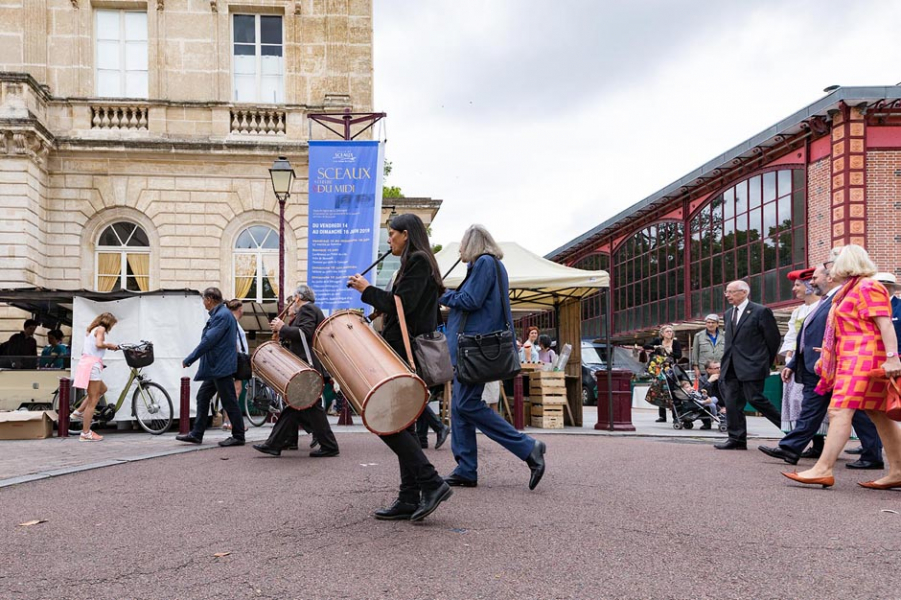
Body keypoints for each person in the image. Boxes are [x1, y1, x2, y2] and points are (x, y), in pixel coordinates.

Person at [347, 213, 452, 522]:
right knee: (399, 423)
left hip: (408, 355)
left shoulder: (418, 260)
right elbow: (407, 305)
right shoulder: (417, 262)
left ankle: (431, 483)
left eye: (392, 233)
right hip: (406, 353)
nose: (389, 239)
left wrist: (367, 290)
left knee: (386, 420)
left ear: (406, 234)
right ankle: (409, 496)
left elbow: (402, 304)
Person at [782, 245, 901, 489]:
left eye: (831, 264)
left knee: (839, 410)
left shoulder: (867, 286)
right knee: (878, 414)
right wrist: (827, 355)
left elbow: (885, 323)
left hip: (863, 358)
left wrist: (893, 357)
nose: (828, 269)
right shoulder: (851, 290)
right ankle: (898, 471)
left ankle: (823, 468)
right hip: (856, 357)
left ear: (846, 263)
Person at [439, 224, 547, 491]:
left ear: (474, 243)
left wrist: (441, 293)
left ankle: (528, 447)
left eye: (463, 244)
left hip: (475, 350)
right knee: (460, 408)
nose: (460, 249)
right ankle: (466, 468)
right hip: (476, 349)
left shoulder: (485, 263)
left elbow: (470, 299)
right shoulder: (486, 265)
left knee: (465, 405)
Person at [759, 263, 884, 468]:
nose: (812, 281)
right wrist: (792, 362)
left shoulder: (839, 299)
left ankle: (871, 456)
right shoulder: (826, 301)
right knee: (813, 408)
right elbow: (805, 336)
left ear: (830, 278)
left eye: (815, 277)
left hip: (829, 365)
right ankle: (791, 448)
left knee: (855, 411)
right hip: (816, 366)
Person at [252, 284, 340, 458]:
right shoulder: (313, 310)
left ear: (298, 297)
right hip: (308, 366)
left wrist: (282, 328)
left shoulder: (307, 310)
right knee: (296, 406)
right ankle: (275, 444)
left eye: (293, 299)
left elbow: (304, 333)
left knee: (304, 406)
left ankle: (328, 446)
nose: (292, 302)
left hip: (306, 366)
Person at [714, 280, 782, 450]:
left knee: (756, 399)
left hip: (752, 365)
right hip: (731, 365)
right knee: (731, 402)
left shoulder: (761, 311)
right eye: (726, 292)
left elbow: (773, 339)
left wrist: (764, 361)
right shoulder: (728, 313)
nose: (727, 295)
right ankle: (736, 439)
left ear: (744, 292)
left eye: (731, 291)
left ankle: (794, 434)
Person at [177, 287, 246, 447]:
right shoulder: (222, 314)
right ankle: (197, 434)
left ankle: (238, 435)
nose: (203, 303)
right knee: (203, 396)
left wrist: (190, 358)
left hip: (220, 366)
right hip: (217, 366)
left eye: (203, 300)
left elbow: (209, 340)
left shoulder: (222, 316)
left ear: (209, 299)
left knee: (229, 400)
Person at [778, 268, 822, 456]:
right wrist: (789, 359)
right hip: (797, 362)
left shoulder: (822, 306)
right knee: (802, 403)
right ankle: (814, 444)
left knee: (814, 404)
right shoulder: (798, 311)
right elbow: (791, 336)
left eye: (797, 285)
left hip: (816, 362)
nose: (794, 289)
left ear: (808, 287)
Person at [72, 313, 119, 442]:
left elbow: (94, 346)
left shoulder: (92, 329)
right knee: (93, 400)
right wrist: (109, 345)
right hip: (93, 365)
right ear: (109, 322)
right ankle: (86, 433)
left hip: (87, 364)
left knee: (102, 389)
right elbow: (99, 344)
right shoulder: (101, 329)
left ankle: (78, 411)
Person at [221, 299, 250, 432]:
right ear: (240, 309)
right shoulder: (233, 322)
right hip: (237, 360)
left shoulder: (231, 321)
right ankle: (232, 422)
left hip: (232, 359)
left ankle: (228, 421)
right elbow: (234, 342)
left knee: (231, 392)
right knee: (235, 392)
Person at [646, 324, 682, 423]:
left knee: (672, 391)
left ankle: (676, 415)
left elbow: (679, 355)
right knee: (660, 391)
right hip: (659, 369)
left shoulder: (675, 343)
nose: (669, 333)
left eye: (671, 331)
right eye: (667, 331)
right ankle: (662, 416)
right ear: (662, 333)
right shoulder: (658, 341)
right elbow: (645, 346)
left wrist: (670, 352)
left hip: (670, 369)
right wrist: (655, 346)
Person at [692, 314, 724, 381]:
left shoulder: (724, 335)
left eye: (713, 322)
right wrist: (696, 369)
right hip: (705, 370)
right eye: (708, 322)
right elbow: (695, 353)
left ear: (717, 324)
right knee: (706, 388)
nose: (710, 324)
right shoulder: (698, 336)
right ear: (706, 324)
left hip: (721, 369)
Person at [697, 360, 724, 429]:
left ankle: (724, 421)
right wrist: (709, 382)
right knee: (701, 404)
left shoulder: (724, 378)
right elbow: (700, 393)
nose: (719, 370)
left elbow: (728, 393)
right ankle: (707, 423)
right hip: (708, 402)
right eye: (717, 368)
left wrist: (726, 406)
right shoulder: (702, 379)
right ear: (708, 370)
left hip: (722, 402)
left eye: (720, 367)